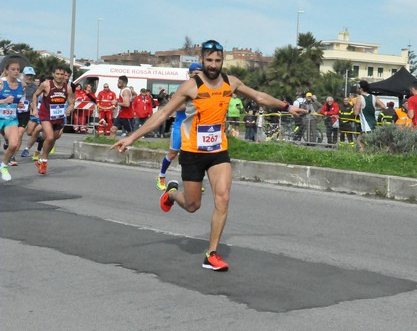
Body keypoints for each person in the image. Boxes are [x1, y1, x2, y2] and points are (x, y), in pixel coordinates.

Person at [112, 40, 305, 271]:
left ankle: (211, 253)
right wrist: (132, 137)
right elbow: (163, 114)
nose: (214, 65)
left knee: (222, 198)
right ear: (202, 60)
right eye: (209, 60)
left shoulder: (230, 82)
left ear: (222, 61)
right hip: (193, 153)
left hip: (217, 152)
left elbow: (259, 97)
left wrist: (287, 107)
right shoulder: (191, 87)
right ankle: (172, 194)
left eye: (218, 60)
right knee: (193, 205)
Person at [156, 63, 203, 191]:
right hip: (180, 126)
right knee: (172, 153)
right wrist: (194, 106)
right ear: (189, 74)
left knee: (193, 155)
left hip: (194, 128)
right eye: (195, 73)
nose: (198, 76)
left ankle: (194, 182)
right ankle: (161, 176)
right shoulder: (183, 88)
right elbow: (176, 106)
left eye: (200, 73)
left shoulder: (204, 89)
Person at [31, 65, 74, 175]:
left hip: (58, 117)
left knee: (53, 139)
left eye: (62, 74)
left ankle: (42, 159)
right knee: (49, 137)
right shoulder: (46, 85)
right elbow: (35, 95)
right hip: (46, 115)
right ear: (53, 74)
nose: (60, 76)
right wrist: (35, 108)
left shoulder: (67, 88)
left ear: (65, 75)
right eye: (57, 74)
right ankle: (44, 163)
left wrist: (69, 109)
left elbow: (71, 103)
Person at [0, 61, 25, 181]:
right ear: (7, 70)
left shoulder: (21, 85)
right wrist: (3, 101)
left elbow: (20, 100)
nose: (16, 72)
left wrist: (19, 104)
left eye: (18, 69)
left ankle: (4, 166)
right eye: (13, 69)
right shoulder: (1, 83)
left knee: (14, 144)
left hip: (10, 118)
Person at [14, 66, 38, 163]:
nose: (29, 77)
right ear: (23, 74)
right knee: (11, 135)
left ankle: (13, 156)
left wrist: (34, 107)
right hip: (13, 111)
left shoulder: (34, 87)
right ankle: (8, 143)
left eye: (31, 75)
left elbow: (35, 98)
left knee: (19, 134)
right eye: (27, 75)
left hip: (25, 112)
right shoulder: (16, 83)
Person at [353, 80, 385, 150]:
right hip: (373, 124)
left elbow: (356, 113)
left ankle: (364, 156)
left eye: (358, 88)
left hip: (366, 125)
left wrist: (354, 105)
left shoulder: (359, 98)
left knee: (360, 141)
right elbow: (383, 106)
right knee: (366, 141)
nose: (357, 89)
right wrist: (375, 109)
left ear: (361, 88)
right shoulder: (374, 97)